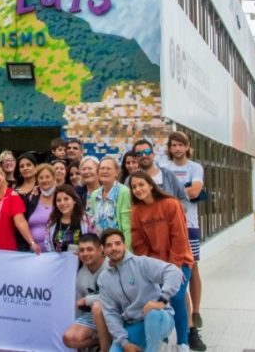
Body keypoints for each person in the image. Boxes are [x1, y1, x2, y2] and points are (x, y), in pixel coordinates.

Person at [130, 171, 194, 350]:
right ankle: (162, 338)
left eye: (141, 185)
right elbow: (139, 243)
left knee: (177, 297)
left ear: (151, 185)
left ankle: (183, 342)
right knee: (155, 301)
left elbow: (179, 238)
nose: (138, 189)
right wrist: (150, 269)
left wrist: (173, 268)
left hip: (179, 262)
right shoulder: (136, 211)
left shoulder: (171, 204)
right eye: (134, 187)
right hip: (155, 267)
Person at [97, 228, 183, 352]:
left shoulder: (140, 263)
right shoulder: (104, 279)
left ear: (124, 245)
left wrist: (161, 301)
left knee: (153, 313)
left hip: (160, 318)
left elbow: (174, 272)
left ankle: (154, 348)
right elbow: (111, 314)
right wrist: (124, 342)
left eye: (117, 243)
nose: (114, 248)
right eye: (109, 245)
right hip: (136, 325)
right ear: (103, 250)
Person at [162, 131, 207, 351]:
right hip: (168, 227)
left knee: (192, 269)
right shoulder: (164, 166)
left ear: (187, 147)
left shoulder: (195, 167)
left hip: (189, 225)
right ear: (169, 148)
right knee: (176, 276)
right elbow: (159, 192)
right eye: (174, 145)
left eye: (181, 144)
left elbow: (196, 189)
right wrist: (181, 194)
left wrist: (170, 194)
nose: (177, 148)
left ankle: (195, 314)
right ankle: (184, 323)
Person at [62, 233, 110, 352]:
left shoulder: (111, 266)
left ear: (100, 250)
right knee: (69, 338)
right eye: (82, 250)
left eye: (89, 249)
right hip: (92, 316)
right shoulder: (80, 275)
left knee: (97, 307)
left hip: (116, 312)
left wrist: (87, 300)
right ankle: (102, 339)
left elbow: (116, 296)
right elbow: (79, 308)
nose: (85, 253)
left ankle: (105, 348)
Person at [87, 157, 132, 246]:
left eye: (108, 168)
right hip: (101, 245)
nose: (105, 171)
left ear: (116, 173)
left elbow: (127, 224)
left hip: (118, 245)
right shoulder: (94, 195)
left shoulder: (124, 191)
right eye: (102, 168)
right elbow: (92, 224)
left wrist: (126, 249)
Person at [44, 185, 93, 252]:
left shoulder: (87, 220)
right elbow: (48, 246)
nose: (62, 203)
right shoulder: (52, 221)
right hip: (59, 261)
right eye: (58, 200)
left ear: (74, 200)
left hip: (83, 261)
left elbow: (95, 243)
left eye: (66, 199)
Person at [23, 164, 57, 251]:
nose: (44, 180)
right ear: (37, 180)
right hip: (34, 253)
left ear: (54, 178)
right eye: (41, 178)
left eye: (47, 177)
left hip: (56, 253)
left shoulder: (61, 197)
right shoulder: (31, 199)